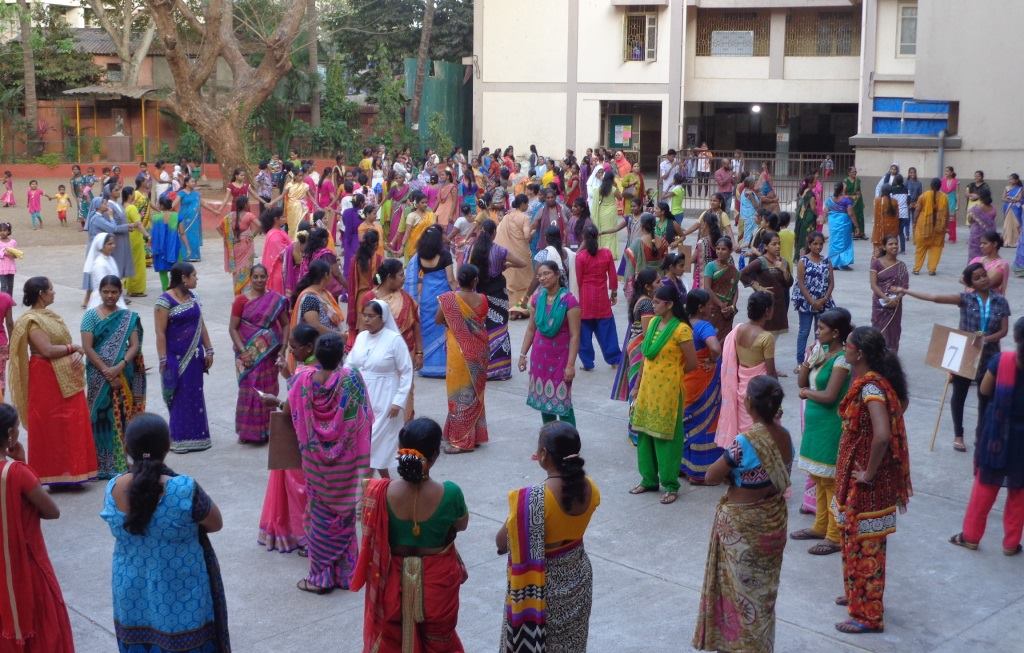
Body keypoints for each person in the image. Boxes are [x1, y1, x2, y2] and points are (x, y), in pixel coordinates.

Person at [100, 413, 230, 651]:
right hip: (182, 601)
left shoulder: (113, 488)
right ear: (167, 447)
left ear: (127, 447)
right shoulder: (184, 489)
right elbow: (215, 523)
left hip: (132, 598)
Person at [693, 375, 791, 652]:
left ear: (749, 404)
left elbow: (711, 475)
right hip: (773, 521)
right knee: (761, 595)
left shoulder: (745, 441)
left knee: (737, 593)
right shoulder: (785, 437)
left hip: (742, 526)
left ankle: (737, 646)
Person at [353, 418, 469, 651]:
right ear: (435, 455)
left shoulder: (380, 493)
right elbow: (461, 525)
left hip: (392, 583)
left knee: (392, 642)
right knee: (439, 642)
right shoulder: (451, 493)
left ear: (400, 451)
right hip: (438, 585)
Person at [278, 333, 372, 593]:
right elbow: (364, 419)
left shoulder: (302, 382)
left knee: (320, 516)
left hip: (316, 464)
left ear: (316, 355)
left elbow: (288, 412)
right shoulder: (352, 379)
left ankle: (320, 578)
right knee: (343, 516)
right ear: (342, 355)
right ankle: (346, 574)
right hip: (347, 463)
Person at [833, 327, 912, 635]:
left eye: (847, 346)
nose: (844, 350)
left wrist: (867, 472)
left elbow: (881, 435)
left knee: (866, 546)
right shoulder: (871, 382)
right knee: (852, 540)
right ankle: (857, 593)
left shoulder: (871, 390)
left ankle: (868, 615)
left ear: (860, 353)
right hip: (857, 478)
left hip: (867, 484)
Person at [497, 422, 600, 651]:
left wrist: (516, 512)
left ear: (543, 455)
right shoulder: (591, 488)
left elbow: (501, 542)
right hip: (578, 576)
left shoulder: (533, 499)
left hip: (544, 586)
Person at [894, 263, 1010, 453]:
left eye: (984, 275)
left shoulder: (1000, 301)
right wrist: (905, 291)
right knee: (960, 394)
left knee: (985, 396)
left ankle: (981, 434)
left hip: (990, 355)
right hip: (966, 352)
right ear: (969, 283)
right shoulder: (965, 299)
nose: (983, 279)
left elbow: (1004, 330)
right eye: (977, 277)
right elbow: (935, 298)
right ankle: (958, 435)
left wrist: (985, 339)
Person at [0, 403, 74, 652]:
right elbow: (52, 511)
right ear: (10, 434)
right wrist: (23, 464)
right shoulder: (15, 473)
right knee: (42, 628)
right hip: (25, 566)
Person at [9, 277, 96, 484]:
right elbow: (46, 349)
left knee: (71, 421)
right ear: (41, 294)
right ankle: (52, 473)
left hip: (63, 374)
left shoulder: (48, 316)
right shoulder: (32, 320)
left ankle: (75, 471)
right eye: (51, 290)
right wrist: (73, 348)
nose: (54, 293)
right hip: (45, 377)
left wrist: (74, 353)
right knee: (49, 424)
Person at [950, 316, 1024, 555]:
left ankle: (970, 536)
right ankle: (1011, 544)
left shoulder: (1003, 360)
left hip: (997, 435)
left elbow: (984, 390)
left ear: (1016, 338)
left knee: (985, 486)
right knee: (1020, 491)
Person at [790, 309, 852, 556]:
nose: (817, 332)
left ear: (836, 333)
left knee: (831, 482)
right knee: (818, 478)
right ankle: (820, 525)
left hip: (830, 425)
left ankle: (834, 535)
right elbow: (801, 381)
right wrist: (808, 360)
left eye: (822, 329)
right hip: (815, 425)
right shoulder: (822, 352)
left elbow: (829, 397)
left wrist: (806, 394)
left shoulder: (842, 360)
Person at [629, 284, 698, 504]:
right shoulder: (654, 323)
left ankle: (670, 484)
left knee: (667, 437)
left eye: (657, 302)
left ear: (669, 305)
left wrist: (671, 375)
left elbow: (692, 363)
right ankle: (648, 479)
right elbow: (646, 358)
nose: (653, 305)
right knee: (644, 434)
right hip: (648, 389)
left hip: (668, 392)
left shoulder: (681, 330)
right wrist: (638, 385)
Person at [256, 322, 316, 554]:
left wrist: (275, 400)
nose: (291, 352)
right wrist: (287, 374)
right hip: (313, 437)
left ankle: (301, 535)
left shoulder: (304, 373)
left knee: (297, 486)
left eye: (294, 348)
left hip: (299, 437)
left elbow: (293, 407)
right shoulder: (318, 368)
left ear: (309, 347)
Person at [81, 275, 145, 479]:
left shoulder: (127, 317)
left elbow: (134, 345)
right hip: (97, 375)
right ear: (99, 292)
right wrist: (106, 371)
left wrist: (119, 366)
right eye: (106, 291)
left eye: (114, 292)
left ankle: (121, 461)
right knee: (99, 417)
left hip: (122, 373)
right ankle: (100, 464)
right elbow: (88, 348)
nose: (110, 295)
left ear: (120, 293)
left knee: (123, 416)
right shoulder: (90, 316)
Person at [347, 299, 413, 474]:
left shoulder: (394, 340)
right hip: (362, 396)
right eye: (364, 316)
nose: (366, 320)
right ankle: (383, 487)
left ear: (382, 318)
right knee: (371, 447)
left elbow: (406, 371)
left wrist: (398, 401)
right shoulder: (361, 338)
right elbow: (350, 364)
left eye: (371, 316)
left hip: (386, 399)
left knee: (372, 445)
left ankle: (366, 492)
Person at [155, 262, 213, 453]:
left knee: (194, 394)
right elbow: (160, 333)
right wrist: (163, 360)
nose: (196, 279)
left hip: (195, 357)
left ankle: (198, 437)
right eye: (194, 276)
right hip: (175, 358)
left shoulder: (194, 297)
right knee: (178, 396)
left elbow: (201, 325)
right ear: (184, 278)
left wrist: (209, 349)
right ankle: (179, 439)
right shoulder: (164, 301)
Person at [229, 264, 288, 445]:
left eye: (262, 277)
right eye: (256, 277)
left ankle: (267, 431)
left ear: (267, 277)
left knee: (268, 390)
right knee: (249, 391)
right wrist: (243, 351)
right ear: (250, 278)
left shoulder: (275, 300)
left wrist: (283, 348)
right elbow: (233, 328)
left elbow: (285, 324)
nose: (259, 280)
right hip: (247, 353)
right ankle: (248, 433)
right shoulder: (241, 301)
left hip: (269, 353)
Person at [519, 260, 581, 426]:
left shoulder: (569, 301)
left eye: (546, 274)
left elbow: (575, 336)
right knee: (544, 402)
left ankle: (569, 444)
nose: (542, 278)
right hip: (540, 359)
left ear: (557, 274)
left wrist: (571, 365)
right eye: (539, 275)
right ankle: (550, 440)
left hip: (561, 359)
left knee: (563, 402)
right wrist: (523, 354)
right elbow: (531, 329)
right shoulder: (537, 299)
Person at [436, 265, 489, 453]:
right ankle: (474, 436)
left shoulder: (449, 300)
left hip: (458, 353)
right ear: (475, 281)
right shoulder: (483, 299)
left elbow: (438, 319)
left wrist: (454, 325)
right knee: (475, 394)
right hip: (479, 351)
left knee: (459, 396)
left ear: (458, 280)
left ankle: (461, 441)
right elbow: (481, 319)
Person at [715, 291, 777, 450]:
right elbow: (770, 373)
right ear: (767, 311)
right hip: (759, 390)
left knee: (743, 431)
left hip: (742, 387)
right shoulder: (766, 337)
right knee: (759, 431)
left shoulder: (738, 329)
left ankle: (741, 464)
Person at [470, 218, 524, 380]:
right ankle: (499, 368)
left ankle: (481, 368)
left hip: (480, 293)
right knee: (500, 328)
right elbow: (522, 263)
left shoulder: (474, 249)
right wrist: (506, 265)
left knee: (482, 329)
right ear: (494, 233)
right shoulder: (500, 251)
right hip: (498, 293)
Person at [611, 269, 658, 444]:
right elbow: (648, 334)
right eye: (657, 282)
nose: (660, 285)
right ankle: (635, 432)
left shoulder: (641, 299)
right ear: (647, 286)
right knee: (638, 388)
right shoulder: (646, 304)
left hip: (635, 345)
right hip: (640, 348)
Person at [681, 289, 723, 483]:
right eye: (707, 304)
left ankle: (682, 466)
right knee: (704, 423)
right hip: (702, 382)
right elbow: (715, 348)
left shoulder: (681, 323)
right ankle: (699, 472)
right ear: (700, 308)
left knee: (686, 423)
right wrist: (713, 360)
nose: (711, 307)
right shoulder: (702, 326)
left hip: (684, 379)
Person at [404, 225, 454, 378]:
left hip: (426, 296)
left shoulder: (419, 256)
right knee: (444, 329)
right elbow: (451, 279)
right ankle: (443, 366)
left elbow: (413, 278)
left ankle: (428, 366)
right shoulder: (445, 255)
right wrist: (458, 294)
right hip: (443, 296)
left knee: (427, 329)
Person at [575, 223, 621, 371]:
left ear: (583, 238)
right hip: (602, 298)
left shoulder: (581, 257)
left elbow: (578, 279)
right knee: (607, 330)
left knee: (584, 333)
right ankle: (614, 359)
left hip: (586, 298)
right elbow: (613, 277)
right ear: (598, 236)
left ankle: (588, 362)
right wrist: (613, 293)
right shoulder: (606, 254)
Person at [792, 231, 835, 364]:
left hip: (823, 303)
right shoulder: (803, 261)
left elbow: (831, 283)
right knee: (804, 331)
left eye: (820, 244)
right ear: (809, 245)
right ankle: (800, 362)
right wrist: (812, 301)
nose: (818, 247)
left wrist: (824, 299)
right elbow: (801, 283)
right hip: (806, 303)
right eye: (815, 244)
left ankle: (818, 359)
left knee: (821, 333)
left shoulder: (827, 260)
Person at [740, 230, 793, 334]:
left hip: (779, 305)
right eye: (774, 244)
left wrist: (783, 270)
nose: (777, 246)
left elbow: (789, 283)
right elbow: (742, 274)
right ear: (765, 247)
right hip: (764, 306)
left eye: (779, 244)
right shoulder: (761, 261)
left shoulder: (783, 262)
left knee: (774, 340)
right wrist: (757, 286)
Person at [496, 194, 534, 317]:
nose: (527, 206)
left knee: (511, 281)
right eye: (527, 204)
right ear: (522, 204)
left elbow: (498, 233)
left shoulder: (506, 217)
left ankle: (512, 310)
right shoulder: (524, 218)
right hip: (521, 254)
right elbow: (527, 236)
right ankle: (520, 309)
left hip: (509, 255)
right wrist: (533, 232)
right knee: (525, 281)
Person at [870, 234, 908, 352]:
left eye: (896, 243)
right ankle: (876, 357)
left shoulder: (901, 265)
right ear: (884, 247)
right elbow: (873, 285)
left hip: (895, 305)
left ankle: (891, 358)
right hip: (879, 304)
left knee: (894, 331)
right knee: (878, 331)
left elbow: (905, 287)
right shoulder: (876, 263)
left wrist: (896, 298)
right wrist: (886, 298)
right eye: (890, 244)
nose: (894, 246)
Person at [346, 230, 384, 347]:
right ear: (376, 244)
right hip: (375, 296)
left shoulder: (355, 260)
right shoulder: (378, 259)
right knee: (374, 329)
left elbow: (351, 282)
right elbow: (380, 279)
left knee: (362, 329)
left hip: (360, 299)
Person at [218, 195, 258, 295]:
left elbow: (218, 228)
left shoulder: (230, 216)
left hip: (234, 245)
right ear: (245, 205)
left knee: (236, 268)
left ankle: (238, 292)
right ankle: (246, 292)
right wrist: (252, 236)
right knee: (247, 267)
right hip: (246, 244)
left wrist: (227, 238)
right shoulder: (249, 215)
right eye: (248, 202)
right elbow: (260, 225)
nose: (249, 204)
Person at [702, 236, 740, 338]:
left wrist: (732, 306)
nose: (720, 252)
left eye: (723, 249)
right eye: (718, 249)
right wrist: (721, 305)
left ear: (730, 251)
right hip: (713, 307)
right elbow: (707, 288)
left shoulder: (732, 269)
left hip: (728, 310)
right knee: (712, 336)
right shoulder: (711, 266)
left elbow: (735, 289)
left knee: (725, 337)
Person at [913, 178, 949, 275]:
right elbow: (946, 214)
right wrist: (946, 226)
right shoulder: (944, 197)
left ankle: (916, 269)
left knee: (920, 248)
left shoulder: (923, 196)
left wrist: (914, 221)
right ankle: (932, 269)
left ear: (930, 185)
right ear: (940, 186)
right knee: (936, 248)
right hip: (938, 227)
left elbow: (917, 210)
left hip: (923, 226)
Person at [83, 233, 126, 310]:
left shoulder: (110, 259)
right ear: (101, 246)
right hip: (103, 299)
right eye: (109, 244)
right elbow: (103, 284)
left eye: (113, 243)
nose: (113, 246)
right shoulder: (99, 264)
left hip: (113, 295)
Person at [123, 186, 149, 296]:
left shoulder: (122, 207)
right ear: (130, 195)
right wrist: (147, 235)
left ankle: (129, 286)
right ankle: (136, 289)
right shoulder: (132, 208)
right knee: (138, 263)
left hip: (127, 238)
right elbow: (138, 224)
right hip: (135, 238)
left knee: (131, 262)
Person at [826, 182, 859, 270]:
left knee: (834, 241)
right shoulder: (846, 200)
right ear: (842, 189)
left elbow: (826, 211)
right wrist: (856, 226)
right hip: (843, 223)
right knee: (845, 242)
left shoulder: (829, 199)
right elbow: (851, 213)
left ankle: (833, 263)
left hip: (833, 223)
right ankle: (843, 263)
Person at [260, 206, 290, 295]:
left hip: (280, 273)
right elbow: (283, 255)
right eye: (283, 217)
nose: (285, 218)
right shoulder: (275, 236)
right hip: (278, 276)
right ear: (276, 219)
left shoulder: (278, 231)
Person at [970, 230, 1010, 295]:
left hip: (990, 302)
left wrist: (969, 281)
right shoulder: (976, 259)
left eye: (985, 243)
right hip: (971, 300)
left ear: (994, 244)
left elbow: (985, 285)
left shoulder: (1001, 265)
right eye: (981, 243)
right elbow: (962, 278)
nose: (981, 246)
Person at [968, 187, 998, 261]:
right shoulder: (993, 208)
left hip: (977, 234)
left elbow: (970, 220)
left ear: (980, 196)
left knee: (975, 255)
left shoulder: (976, 208)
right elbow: (992, 221)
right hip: (989, 235)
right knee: (987, 253)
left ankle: (975, 268)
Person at [795, 175, 818, 258]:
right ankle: (807, 256)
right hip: (809, 217)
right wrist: (817, 215)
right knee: (809, 236)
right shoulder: (811, 194)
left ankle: (800, 256)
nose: (816, 183)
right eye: (814, 182)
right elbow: (813, 208)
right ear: (809, 184)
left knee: (802, 236)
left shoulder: (804, 191)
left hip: (802, 216)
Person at [872, 184, 899, 250]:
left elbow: (875, 216)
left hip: (879, 232)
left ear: (882, 191)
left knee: (878, 254)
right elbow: (897, 217)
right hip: (892, 231)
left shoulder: (877, 201)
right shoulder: (895, 201)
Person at [843, 166, 866, 239]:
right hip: (850, 201)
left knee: (860, 216)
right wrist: (851, 197)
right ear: (849, 173)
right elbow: (843, 193)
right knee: (852, 216)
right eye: (853, 172)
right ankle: (853, 232)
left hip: (858, 201)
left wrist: (858, 197)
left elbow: (859, 190)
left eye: (855, 171)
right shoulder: (846, 181)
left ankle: (861, 233)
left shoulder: (858, 180)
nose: (855, 173)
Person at [1002, 174, 1023, 249]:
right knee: (1007, 225)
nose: (1010, 180)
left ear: (1016, 180)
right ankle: (1007, 241)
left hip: (1016, 208)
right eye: (1009, 179)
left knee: (1016, 224)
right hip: (1008, 207)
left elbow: (1019, 198)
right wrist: (1010, 199)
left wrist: (1011, 198)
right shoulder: (1006, 188)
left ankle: (1016, 242)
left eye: (1012, 179)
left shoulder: (1020, 188)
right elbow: (1003, 198)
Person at [942, 166, 960, 242]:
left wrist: (958, 204)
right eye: (945, 171)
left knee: (952, 220)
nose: (946, 173)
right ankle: (942, 235)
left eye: (948, 171)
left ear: (952, 172)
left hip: (952, 201)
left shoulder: (956, 181)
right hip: (943, 201)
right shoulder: (942, 180)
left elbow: (957, 193)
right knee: (943, 219)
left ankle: (952, 237)